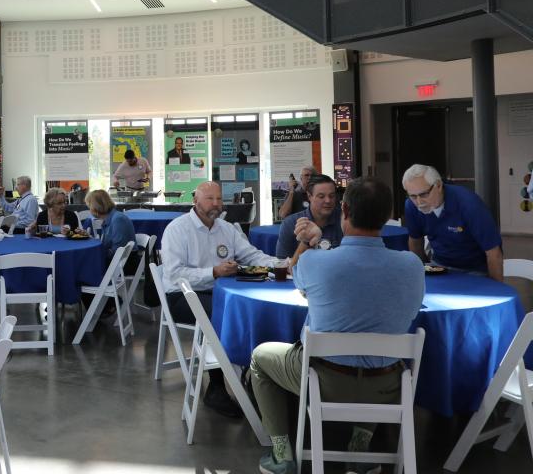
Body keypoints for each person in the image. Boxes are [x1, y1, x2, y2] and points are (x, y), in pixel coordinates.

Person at [250, 177, 424, 474]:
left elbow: (296, 276)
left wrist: (307, 242)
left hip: (325, 382)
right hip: (386, 386)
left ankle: (281, 453)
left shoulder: (316, 262)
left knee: (260, 358)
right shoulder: (412, 266)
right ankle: (359, 450)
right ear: (387, 216)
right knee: (378, 348)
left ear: (344, 210)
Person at [160, 181, 277, 417]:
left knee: (248, 311)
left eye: (219, 199)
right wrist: (213, 272)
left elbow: (251, 255)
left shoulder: (226, 229)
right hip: (181, 296)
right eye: (209, 199)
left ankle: (251, 374)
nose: (215, 204)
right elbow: (174, 275)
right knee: (223, 315)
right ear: (196, 200)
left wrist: (282, 264)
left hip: (217, 293)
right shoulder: (177, 229)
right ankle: (216, 387)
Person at [402, 163, 503, 281]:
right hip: (439, 265)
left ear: (438, 185)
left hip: (475, 269)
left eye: (424, 194)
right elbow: (415, 243)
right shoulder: (411, 206)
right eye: (413, 196)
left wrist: (495, 291)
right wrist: (423, 276)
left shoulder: (469, 204)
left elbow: (493, 253)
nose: (419, 202)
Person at [275, 174, 341, 259]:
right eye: (321, 196)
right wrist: (306, 243)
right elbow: (282, 262)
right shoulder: (290, 223)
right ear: (309, 196)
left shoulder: (344, 220)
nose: (328, 200)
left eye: (331, 196)